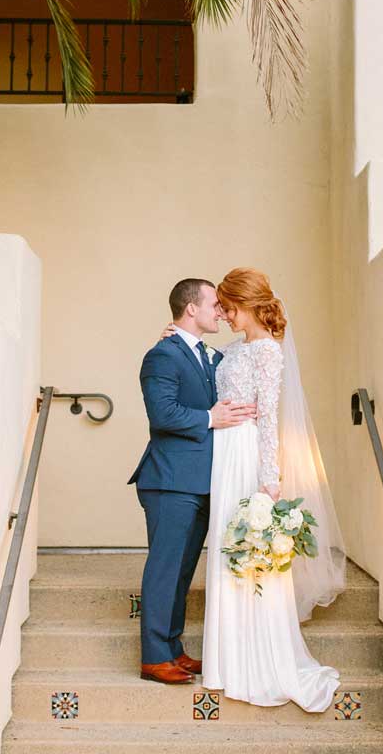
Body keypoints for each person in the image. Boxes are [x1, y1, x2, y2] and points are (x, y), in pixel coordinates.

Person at [200, 268, 344, 711]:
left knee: (250, 553)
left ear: (244, 305)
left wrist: (269, 478)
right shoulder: (233, 349)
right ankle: (225, 660)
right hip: (223, 455)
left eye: (226, 306)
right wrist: (178, 334)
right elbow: (208, 361)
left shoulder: (267, 352)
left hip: (246, 455)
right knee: (227, 549)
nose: (222, 313)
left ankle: (257, 658)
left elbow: (268, 420)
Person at [128, 278, 257, 685]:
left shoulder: (208, 356)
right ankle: (153, 658)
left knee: (183, 570)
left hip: (202, 481)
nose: (220, 311)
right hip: (169, 481)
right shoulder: (161, 356)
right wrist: (209, 419)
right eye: (214, 304)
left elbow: (236, 370)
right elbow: (162, 414)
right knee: (165, 569)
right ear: (191, 309)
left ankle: (173, 649)